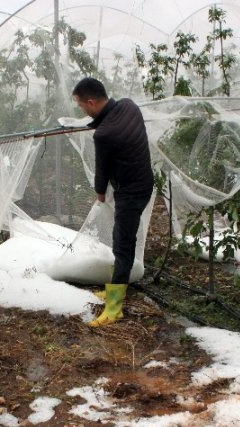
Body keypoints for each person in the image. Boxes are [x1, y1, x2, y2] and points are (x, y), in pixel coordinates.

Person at [72, 77, 154, 327]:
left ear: (91, 101)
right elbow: (111, 121)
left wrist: (99, 193)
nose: (81, 111)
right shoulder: (129, 106)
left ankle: (115, 308)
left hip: (130, 192)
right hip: (144, 183)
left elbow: (102, 170)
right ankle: (113, 290)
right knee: (123, 240)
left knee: (122, 245)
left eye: (81, 106)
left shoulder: (104, 135)